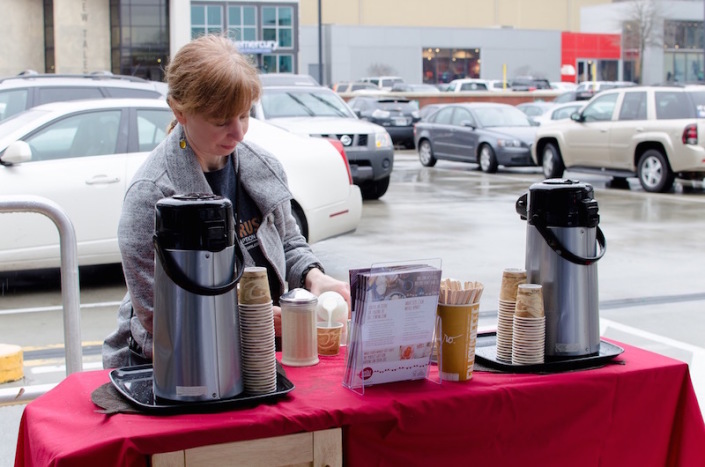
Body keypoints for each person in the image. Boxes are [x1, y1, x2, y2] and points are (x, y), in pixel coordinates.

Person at [102, 34, 350, 368]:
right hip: (174, 369)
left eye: (244, 115)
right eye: (221, 121)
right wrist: (261, 318)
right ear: (180, 111)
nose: (239, 133)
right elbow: (159, 314)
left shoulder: (263, 166)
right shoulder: (152, 194)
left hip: (260, 356)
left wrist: (314, 277)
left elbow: (289, 243)